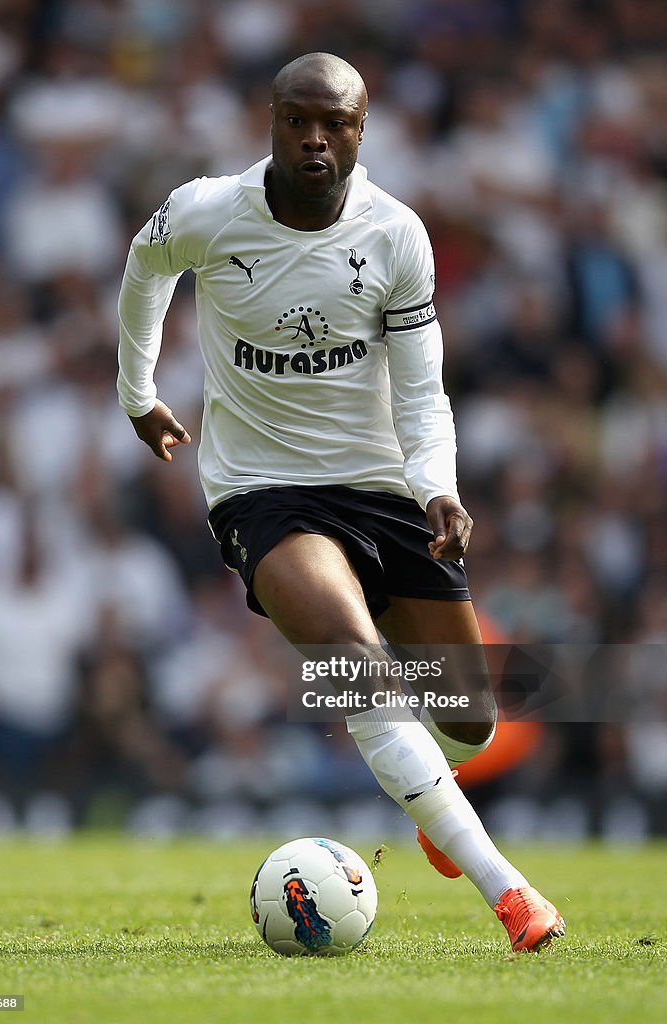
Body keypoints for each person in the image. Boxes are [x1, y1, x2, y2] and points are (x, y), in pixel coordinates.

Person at [117, 52, 565, 952]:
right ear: (271, 121)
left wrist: (438, 485)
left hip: (385, 488)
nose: (315, 138)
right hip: (263, 493)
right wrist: (139, 394)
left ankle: (433, 810)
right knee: (352, 659)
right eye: (297, 119)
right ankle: (509, 892)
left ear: (362, 132)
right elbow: (143, 271)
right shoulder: (209, 211)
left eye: (337, 123)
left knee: (469, 722)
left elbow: (423, 391)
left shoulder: (396, 234)